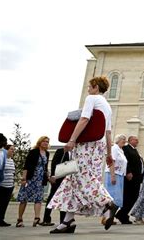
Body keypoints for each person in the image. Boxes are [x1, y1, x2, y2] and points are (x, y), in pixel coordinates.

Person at [48, 76, 118, 233]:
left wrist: (72, 140)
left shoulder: (91, 99)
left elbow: (84, 119)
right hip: (99, 146)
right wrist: (108, 153)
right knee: (73, 180)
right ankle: (68, 221)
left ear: (95, 87)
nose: (88, 89)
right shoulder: (107, 106)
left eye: (90, 86)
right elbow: (108, 132)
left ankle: (107, 203)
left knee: (82, 175)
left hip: (87, 144)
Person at [16, 136, 50, 227]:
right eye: (44, 141)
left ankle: (37, 218)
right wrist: (24, 178)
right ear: (40, 142)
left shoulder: (47, 153)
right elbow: (26, 166)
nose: (46, 143)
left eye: (47, 141)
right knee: (24, 198)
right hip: (30, 178)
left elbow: (45, 168)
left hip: (40, 179)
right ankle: (19, 219)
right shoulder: (33, 152)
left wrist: (48, 177)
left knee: (38, 199)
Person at [115, 135, 144, 224]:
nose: (137, 141)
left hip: (137, 178)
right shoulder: (126, 148)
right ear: (130, 140)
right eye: (135, 140)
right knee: (129, 197)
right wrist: (128, 172)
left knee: (134, 197)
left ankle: (122, 215)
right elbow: (125, 161)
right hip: (130, 177)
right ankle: (121, 214)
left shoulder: (134, 150)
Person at [102, 135, 128, 225]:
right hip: (113, 174)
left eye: (125, 139)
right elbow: (111, 161)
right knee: (113, 198)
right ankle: (106, 218)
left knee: (118, 199)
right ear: (118, 140)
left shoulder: (121, 150)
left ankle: (109, 217)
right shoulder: (114, 148)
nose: (125, 141)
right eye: (123, 139)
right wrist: (112, 175)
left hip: (120, 175)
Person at [41, 147, 70, 226]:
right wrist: (53, 175)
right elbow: (54, 163)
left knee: (65, 200)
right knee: (52, 198)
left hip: (69, 180)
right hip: (58, 179)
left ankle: (63, 221)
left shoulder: (77, 152)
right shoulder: (61, 150)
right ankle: (46, 219)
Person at [0, 144, 15, 227]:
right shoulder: (2, 159)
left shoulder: (11, 160)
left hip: (10, 185)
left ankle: (1, 219)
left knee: (4, 204)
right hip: (2, 185)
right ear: (6, 150)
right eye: (11, 149)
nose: (13, 151)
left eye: (13, 150)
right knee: (0, 203)